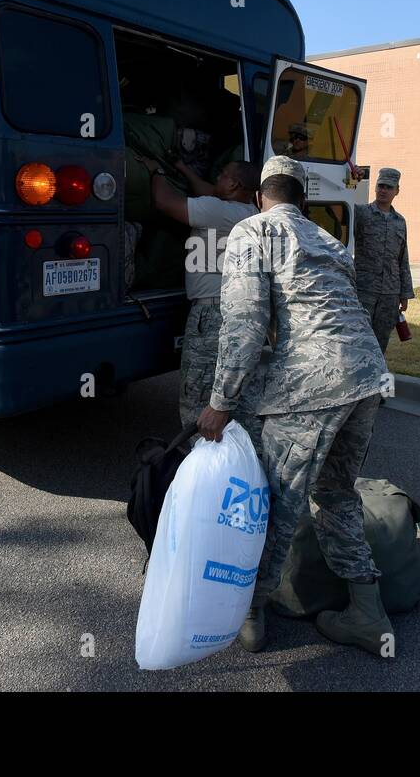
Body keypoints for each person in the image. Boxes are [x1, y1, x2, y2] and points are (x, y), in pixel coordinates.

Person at [197, 156, 392, 658]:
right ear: (303, 198)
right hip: (369, 374)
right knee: (336, 493)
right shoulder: (329, 240)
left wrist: (221, 402)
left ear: (261, 194)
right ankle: (369, 615)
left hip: (313, 381)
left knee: (274, 502)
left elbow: (243, 323)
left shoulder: (252, 231)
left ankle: (251, 612)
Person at [141, 155, 260, 433]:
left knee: (196, 393)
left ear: (234, 185)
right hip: (238, 311)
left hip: (211, 314)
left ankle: (200, 461)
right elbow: (209, 193)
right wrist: (183, 167)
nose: (216, 177)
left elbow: (165, 202)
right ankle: (234, 460)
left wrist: (156, 170)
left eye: (223, 174)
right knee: (230, 393)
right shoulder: (249, 211)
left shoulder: (217, 211)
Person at [354, 167, 415, 355]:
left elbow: (402, 258)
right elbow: (345, 201)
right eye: (380, 186)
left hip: (390, 293)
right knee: (359, 338)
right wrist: (353, 180)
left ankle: (376, 377)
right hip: (365, 290)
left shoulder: (400, 221)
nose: (383, 190)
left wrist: (404, 293)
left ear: (397, 191)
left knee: (381, 341)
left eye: (389, 187)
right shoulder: (361, 213)